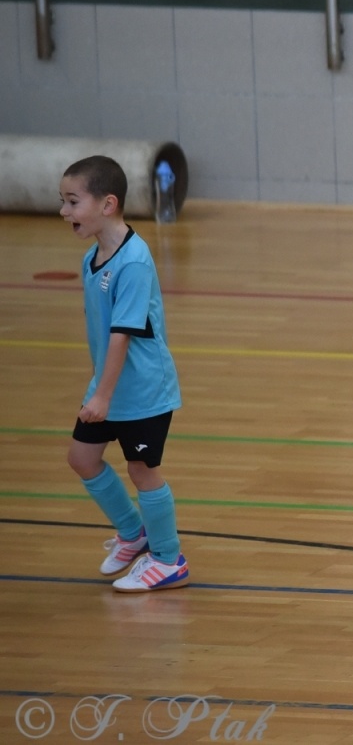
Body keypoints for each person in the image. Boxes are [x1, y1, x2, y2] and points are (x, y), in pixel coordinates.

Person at [59, 155, 190, 592]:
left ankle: (169, 559)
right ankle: (134, 534)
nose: (64, 212)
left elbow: (122, 335)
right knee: (82, 458)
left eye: (73, 202)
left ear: (107, 203)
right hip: (109, 387)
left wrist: (103, 396)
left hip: (142, 390)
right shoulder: (92, 259)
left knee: (142, 470)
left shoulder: (133, 262)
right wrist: (98, 387)